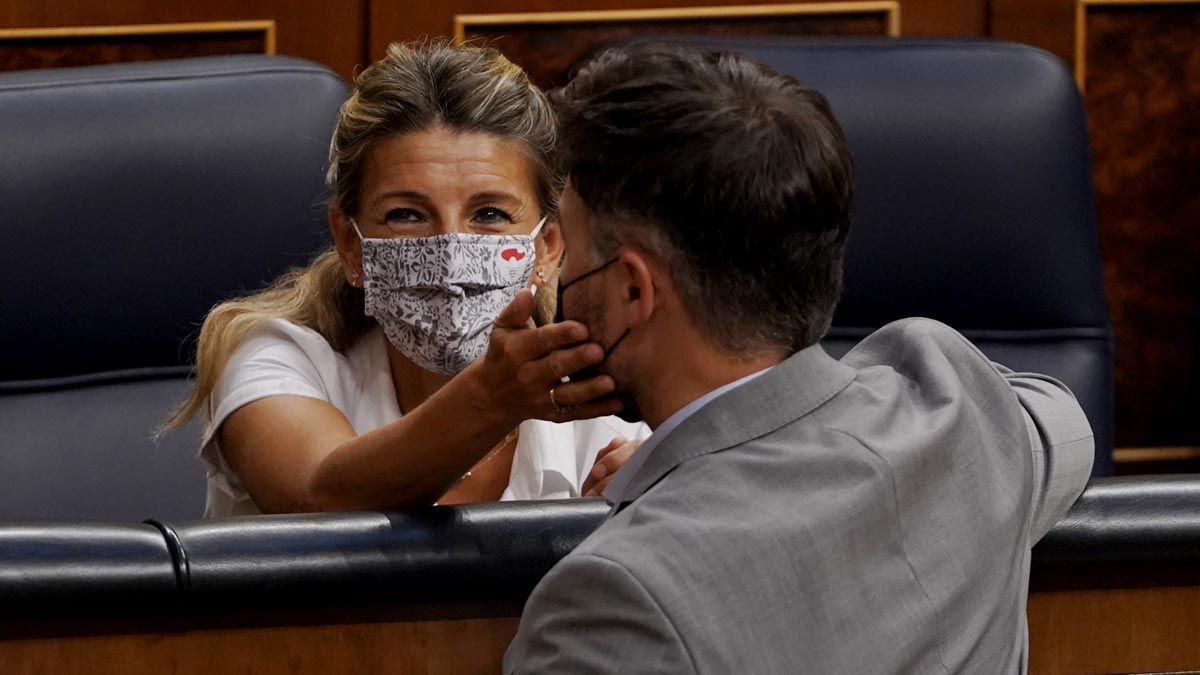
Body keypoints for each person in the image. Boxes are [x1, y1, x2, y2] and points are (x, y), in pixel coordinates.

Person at [504, 45, 1094, 673]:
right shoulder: (956, 404)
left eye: (569, 242)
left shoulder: (617, 603)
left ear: (632, 290)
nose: (556, 274)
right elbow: (1063, 418)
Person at [161, 41, 646, 518]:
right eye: (407, 215)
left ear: (547, 247)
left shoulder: (599, 406)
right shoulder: (279, 360)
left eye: (491, 213)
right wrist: (490, 402)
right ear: (351, 246)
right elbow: (317, 498)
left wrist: (639, 512)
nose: (451, 251)